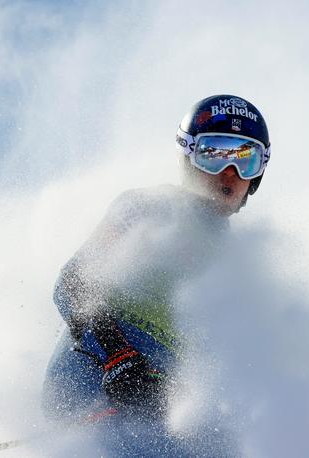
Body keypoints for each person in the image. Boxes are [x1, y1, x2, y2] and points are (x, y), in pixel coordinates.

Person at [42, 94, 271, 454]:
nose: (231, 173)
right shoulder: (147, 210)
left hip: (161, 398)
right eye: (214, 154)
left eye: (247, 159)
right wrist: (118, 355)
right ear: (188, 157)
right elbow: (72, 283)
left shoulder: (241, 262)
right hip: (95, 377)